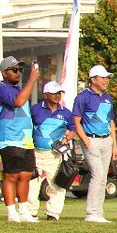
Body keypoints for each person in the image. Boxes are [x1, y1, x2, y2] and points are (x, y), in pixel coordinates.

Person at [0, 56, 41, 222]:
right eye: (14, 70)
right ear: (4, 73)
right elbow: (18, 102)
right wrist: (32, 79)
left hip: (25, 139)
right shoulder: (2, 88)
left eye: (20, 70)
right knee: (11, 175)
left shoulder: (19, 89)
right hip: (10, 138)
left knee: (26, 174)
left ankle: (24, 210)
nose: (18, 72)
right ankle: (11, 212)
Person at [72, 64, 117, 223]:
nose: (106, 80)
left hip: (106, 140)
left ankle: (99, 212)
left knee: (103, 177)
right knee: (97, 174)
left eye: (107, 77)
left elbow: (111, 121)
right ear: (93, 79)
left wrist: (114, 144)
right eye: (103, 77)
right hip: (91, 139)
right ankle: (91, 213)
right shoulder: (82, 97)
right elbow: (76, 122)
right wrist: (86, 140)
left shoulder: (107, 97)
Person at [26, 81, 76, 220]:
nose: (57, 96)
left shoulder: (66, 113)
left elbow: (73, 130)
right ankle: (31, 212)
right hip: (36, 152)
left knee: (57, 184)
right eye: (53, 93)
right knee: (32, 183)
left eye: (59, 93)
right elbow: (28, 127)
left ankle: (53, 213)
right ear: (46, 94)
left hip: (55, 154)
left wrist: (67, 138)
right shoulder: (35, 109)